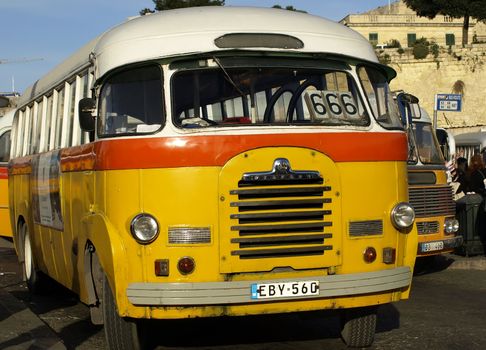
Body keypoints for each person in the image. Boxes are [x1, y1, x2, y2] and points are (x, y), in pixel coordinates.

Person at [467, 154, 486, 255]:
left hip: (479, 200)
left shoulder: (473, 173)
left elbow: (472, 187)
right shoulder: (484, 171)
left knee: (481, 225)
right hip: (483, 198)